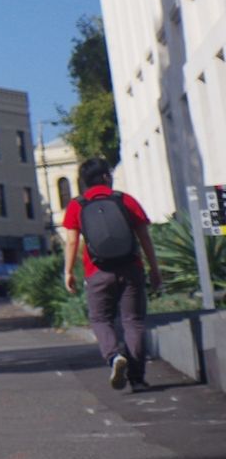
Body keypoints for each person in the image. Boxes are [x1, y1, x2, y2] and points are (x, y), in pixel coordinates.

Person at [61, 157, 165, 391]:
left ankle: (113, 357)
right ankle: (137, 379)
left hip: (97, 271)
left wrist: (68, 271)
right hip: (131, 268)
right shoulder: (125, 200)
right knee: (133, 321)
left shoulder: (77, 205)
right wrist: (155, 269)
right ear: (107, 177)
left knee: (100, 319)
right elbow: (144, 238)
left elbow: (71, 241)